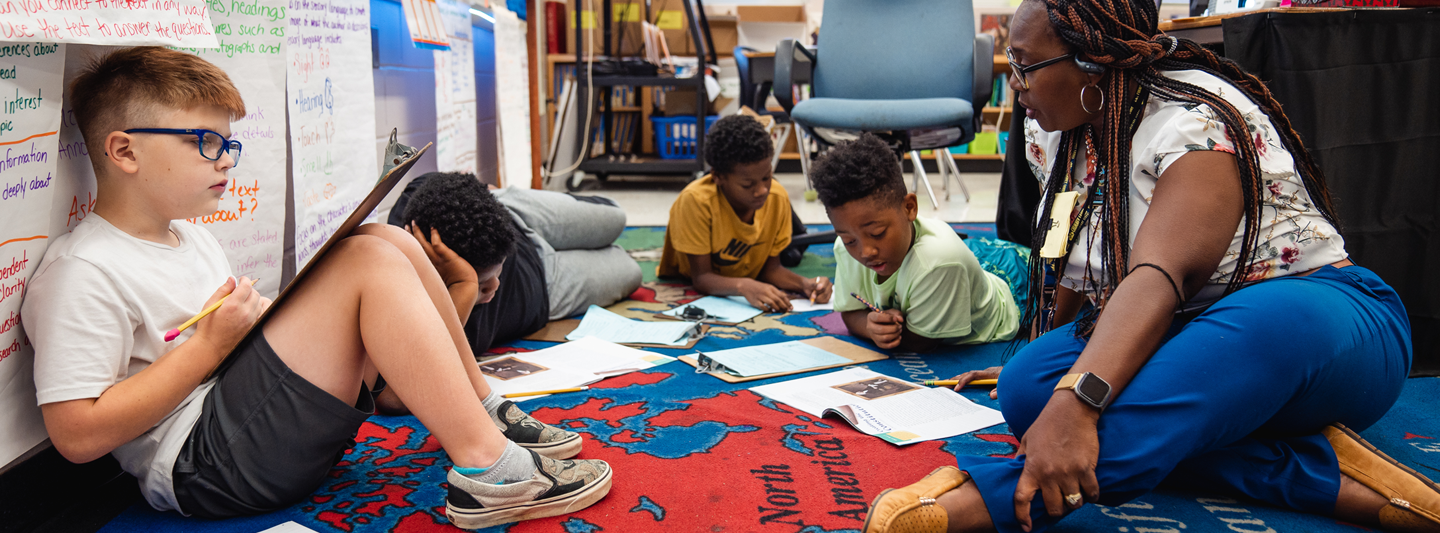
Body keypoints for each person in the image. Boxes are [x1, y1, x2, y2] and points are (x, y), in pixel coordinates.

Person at [859, 1, 1426, 532]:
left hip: (1319, 326)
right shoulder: (1051, 133)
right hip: (1189, 331)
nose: (1016, 83)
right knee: (1028, 387)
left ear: (1093, 62)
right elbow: (1076, 260)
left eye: (1027, 66)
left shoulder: (1194, 118)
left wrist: (1077, 398)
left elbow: (1159, 276)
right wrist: (1047, 368)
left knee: (1257, 326)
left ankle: (989, 498)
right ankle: (1325, 471)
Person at [22, 47, 611, 530]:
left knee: (387, 240)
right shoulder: (83, 268)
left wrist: (244, 333)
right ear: (124, 150)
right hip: (205, 470)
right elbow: (76, 436)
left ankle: (483, 410)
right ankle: (491, 471)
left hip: (237, 428)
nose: (225, 160)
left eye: (228, 144)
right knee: (365, 262)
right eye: (204, 143)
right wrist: (210, 345)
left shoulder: (188, 238)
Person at [372, 171, 642, 415]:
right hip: (546, 283)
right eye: (484, 284)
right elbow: (393, 399)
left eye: (496, 274)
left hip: (517, 218)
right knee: (630, 270)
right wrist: (464, 287)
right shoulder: (408, 297)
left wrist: (482, 193)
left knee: (616, 217)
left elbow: (423, 180)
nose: (495, 287)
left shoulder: (410, 221)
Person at [810, 134, 1020, 352]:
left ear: (909, 207)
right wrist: (869, 326)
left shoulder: (939, 263)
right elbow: (850, 313)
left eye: (878, 233)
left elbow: (921, 341)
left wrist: (890, 331)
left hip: (1013, 294)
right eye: (849, 240)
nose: (865, 252)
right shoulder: (844, 250)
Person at [657, 114, 833, 312]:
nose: (762, 190)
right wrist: (744, 286)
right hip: (689, 279)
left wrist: (804, 284)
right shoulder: (696, 201)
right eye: (748, 185)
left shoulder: (776, 196)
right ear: (718, 177)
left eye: (767, 177)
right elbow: (701, 278)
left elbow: (771, 269)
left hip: (745, 274)